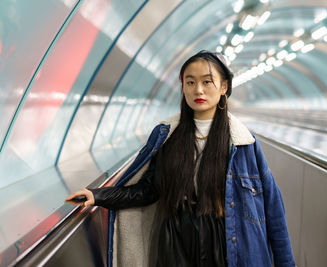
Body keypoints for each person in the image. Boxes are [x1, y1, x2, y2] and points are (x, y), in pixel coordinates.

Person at [66, 50, 295, 267]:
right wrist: (98, 196)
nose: (198, 90)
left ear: (224, 87)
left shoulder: (243, 143)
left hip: (226, 245)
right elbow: (149, 190)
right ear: (183, 87)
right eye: (191, 82)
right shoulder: (168, 135)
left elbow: (272, 209)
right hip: (176, 244)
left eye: (207, 81)